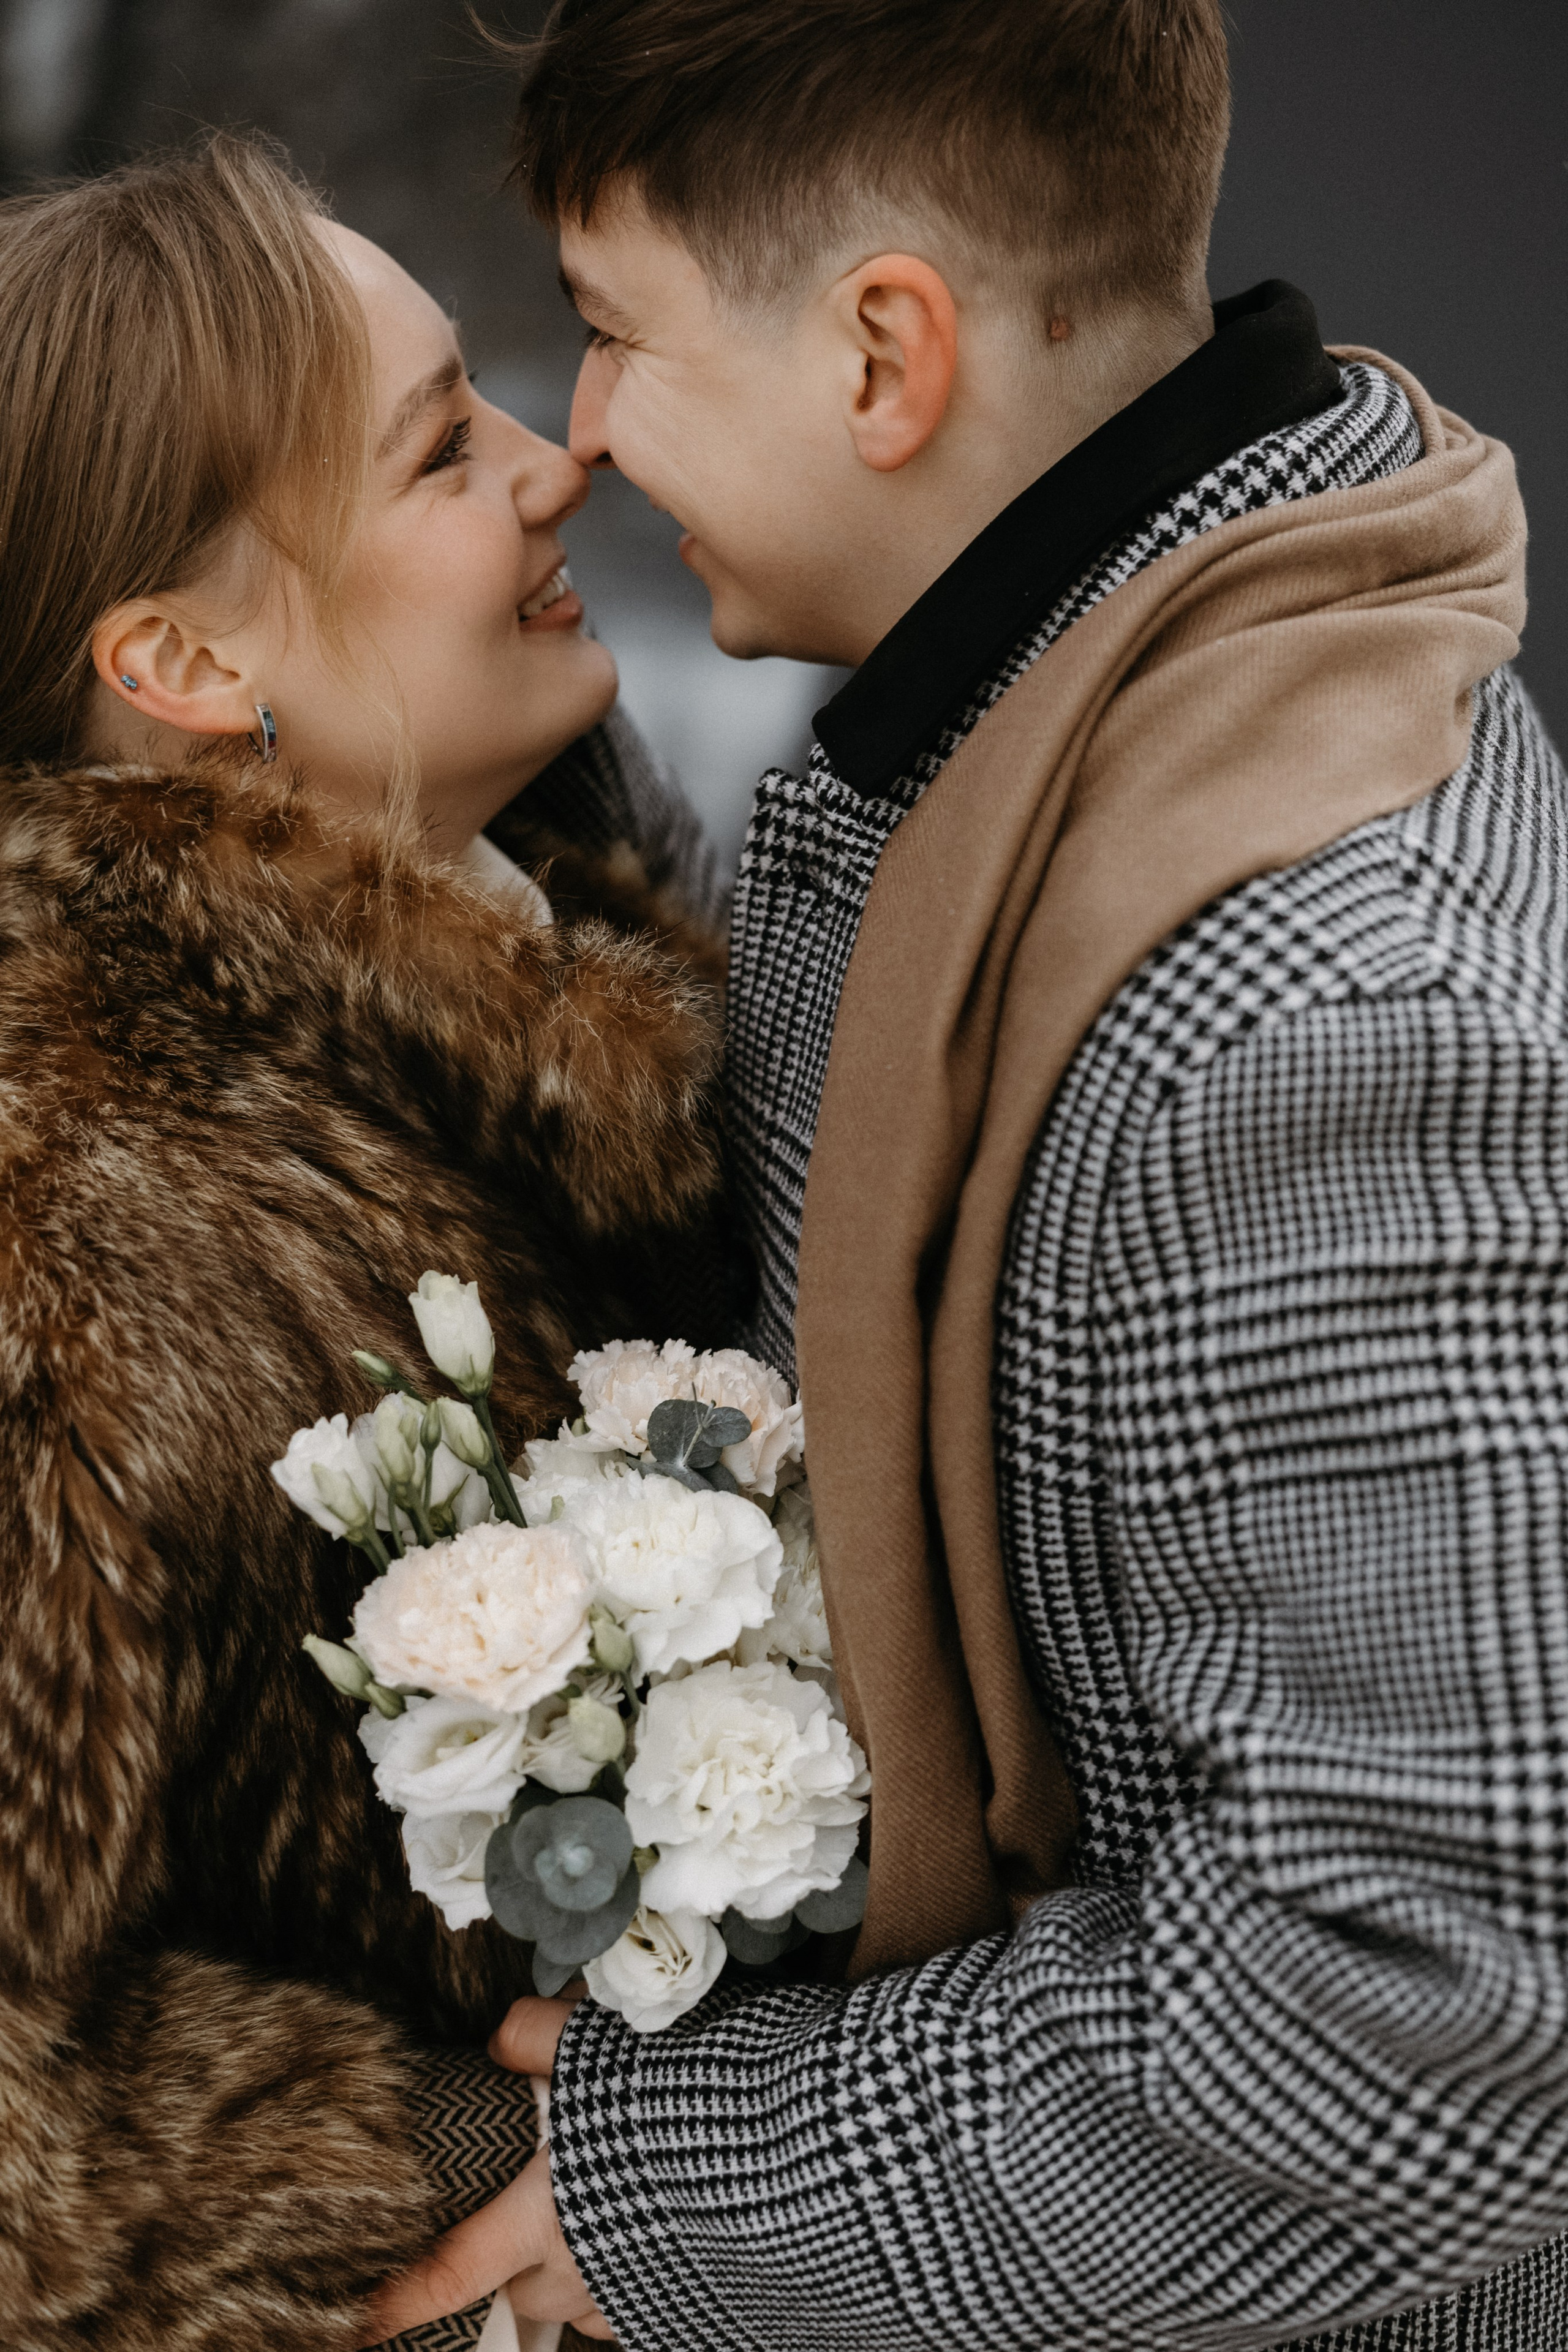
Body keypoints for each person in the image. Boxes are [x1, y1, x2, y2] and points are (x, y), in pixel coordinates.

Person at [373, 2, 1568, 2346]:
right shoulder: (1121, 698)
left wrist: (698, 2198)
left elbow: (1436, 2006)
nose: (585, 435)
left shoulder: (1314, 1016)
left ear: (883, 356)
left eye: (616, 335)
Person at [0, 133, 725, 2351]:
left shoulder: (625, 1034)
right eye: (439, 452)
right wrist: (490, 2181)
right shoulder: (60, 1218)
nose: (559, 460)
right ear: (181, 659)